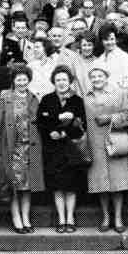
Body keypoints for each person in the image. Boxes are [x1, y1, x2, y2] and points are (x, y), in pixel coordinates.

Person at [0, 65, 45, 234]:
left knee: (27, 186)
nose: (22, 82)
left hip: (30, 148)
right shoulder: (5, 98)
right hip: (11, 149)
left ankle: (26, 218)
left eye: (24, 79)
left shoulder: (34, 98)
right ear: (13, 81)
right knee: (13, 185)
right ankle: (16, 219)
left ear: (29, 80)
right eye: (18, 79)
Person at [37, 65, 87, 234]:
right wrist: (52, 130)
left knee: (71, 185)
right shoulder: (47, 100)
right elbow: (41, 122)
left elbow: (82, 125)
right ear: (53, 81)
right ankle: (61, 218)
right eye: (58, 80)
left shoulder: (77, 101)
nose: (61, 83)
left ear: (70, 81)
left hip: (71, 148)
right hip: (53, 149)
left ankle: (70, 218)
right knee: (57, 185)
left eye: (64, 79)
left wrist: (65, 131)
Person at [84, 65, 128, 234]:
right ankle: (105, 217)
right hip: (94, 143)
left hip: (115, 142)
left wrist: (110, 118)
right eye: (93, 76)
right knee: (100, 183)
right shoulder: (86, 97)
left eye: (100, 75)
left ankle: (118, 218)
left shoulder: (119, 93)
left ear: (106, 76)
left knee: (117, 182)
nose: (97, 79)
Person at [96, 23, 128, 89]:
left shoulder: (124, 57)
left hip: (120, 95)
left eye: (112, 39)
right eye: (106, 40)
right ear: (101, 41)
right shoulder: (99, 60)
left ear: (116, 39)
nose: (109, 42)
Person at [73, 31, 99, 96]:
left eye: (89, 45)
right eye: (84, 45)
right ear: (80, 46)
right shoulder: (74, 61)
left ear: (93, 46)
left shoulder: (98, 62)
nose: (87, 48)